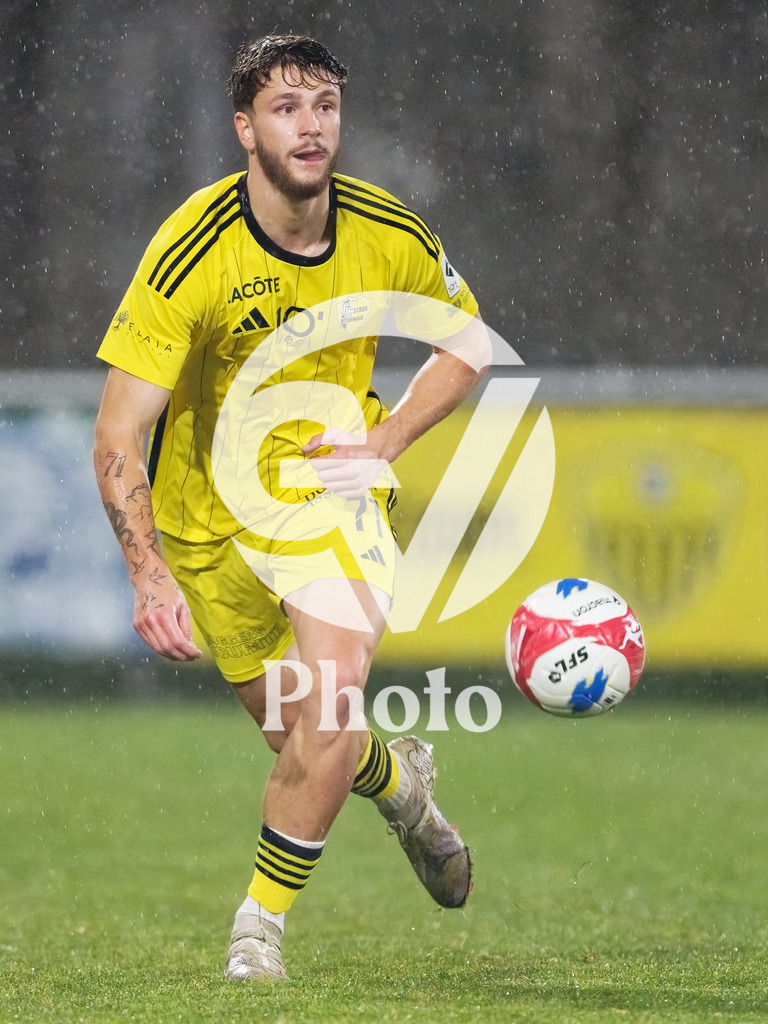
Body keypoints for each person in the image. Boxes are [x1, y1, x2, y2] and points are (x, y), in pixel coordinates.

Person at [93, 34, 491, 982]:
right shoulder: (194, 250)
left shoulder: (384, 228)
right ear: (245, 128)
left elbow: (467, 339)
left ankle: (256, 930)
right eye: (285, 108)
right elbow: (117, 435)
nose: (310, 127)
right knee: (315, 742)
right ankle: (403, 794)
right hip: (209, 529)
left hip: (328, 501)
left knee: (329, 704)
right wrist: (150, 573)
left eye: (325, 106)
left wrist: (384, 441)